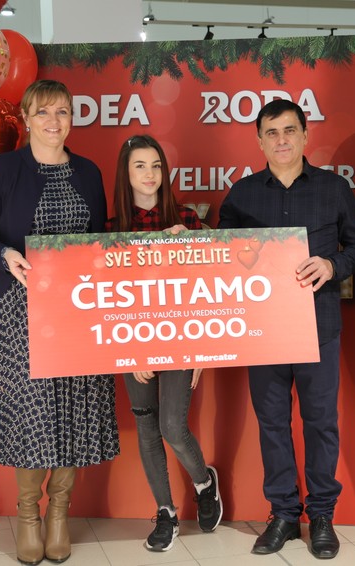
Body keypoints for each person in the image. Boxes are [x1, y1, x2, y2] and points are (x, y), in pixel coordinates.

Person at [0, 79, 119, 566]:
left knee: (72, 408)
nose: (54, 121)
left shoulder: (89, 172)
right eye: (44, 112)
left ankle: (59, 514)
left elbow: (97, 241)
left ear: (72, 118)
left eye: (63, 112)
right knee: (33, 413)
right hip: (21, 312)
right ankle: (29, 514)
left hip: (78, 313)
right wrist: (6, 255)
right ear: (27, 119)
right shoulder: (4, 169)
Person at [219, 99, 355, 560]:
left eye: (289, 130)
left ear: (305, 135)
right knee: (272, 423)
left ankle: (321, 515)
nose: (281, 140)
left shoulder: (333, 188)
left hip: (318, 326)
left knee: (321, 423)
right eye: (272, 132)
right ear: (259, 141)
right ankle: (283, 514)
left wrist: (332, 264)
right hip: (261, 331)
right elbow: (220, 255)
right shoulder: (242, 194)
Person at [108, 134, 223, 552]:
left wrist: (201, 349)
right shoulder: (110, 230)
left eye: (156, 165)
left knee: (172, 425)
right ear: (126, 173)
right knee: (146, 426)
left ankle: (204, 482)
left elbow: (212, 285)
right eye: (140, 165)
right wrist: (128, 353)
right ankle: (166, 512)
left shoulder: (187, 219)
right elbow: (103, 300)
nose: (150, 174)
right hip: (131, 342)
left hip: (181, 341)